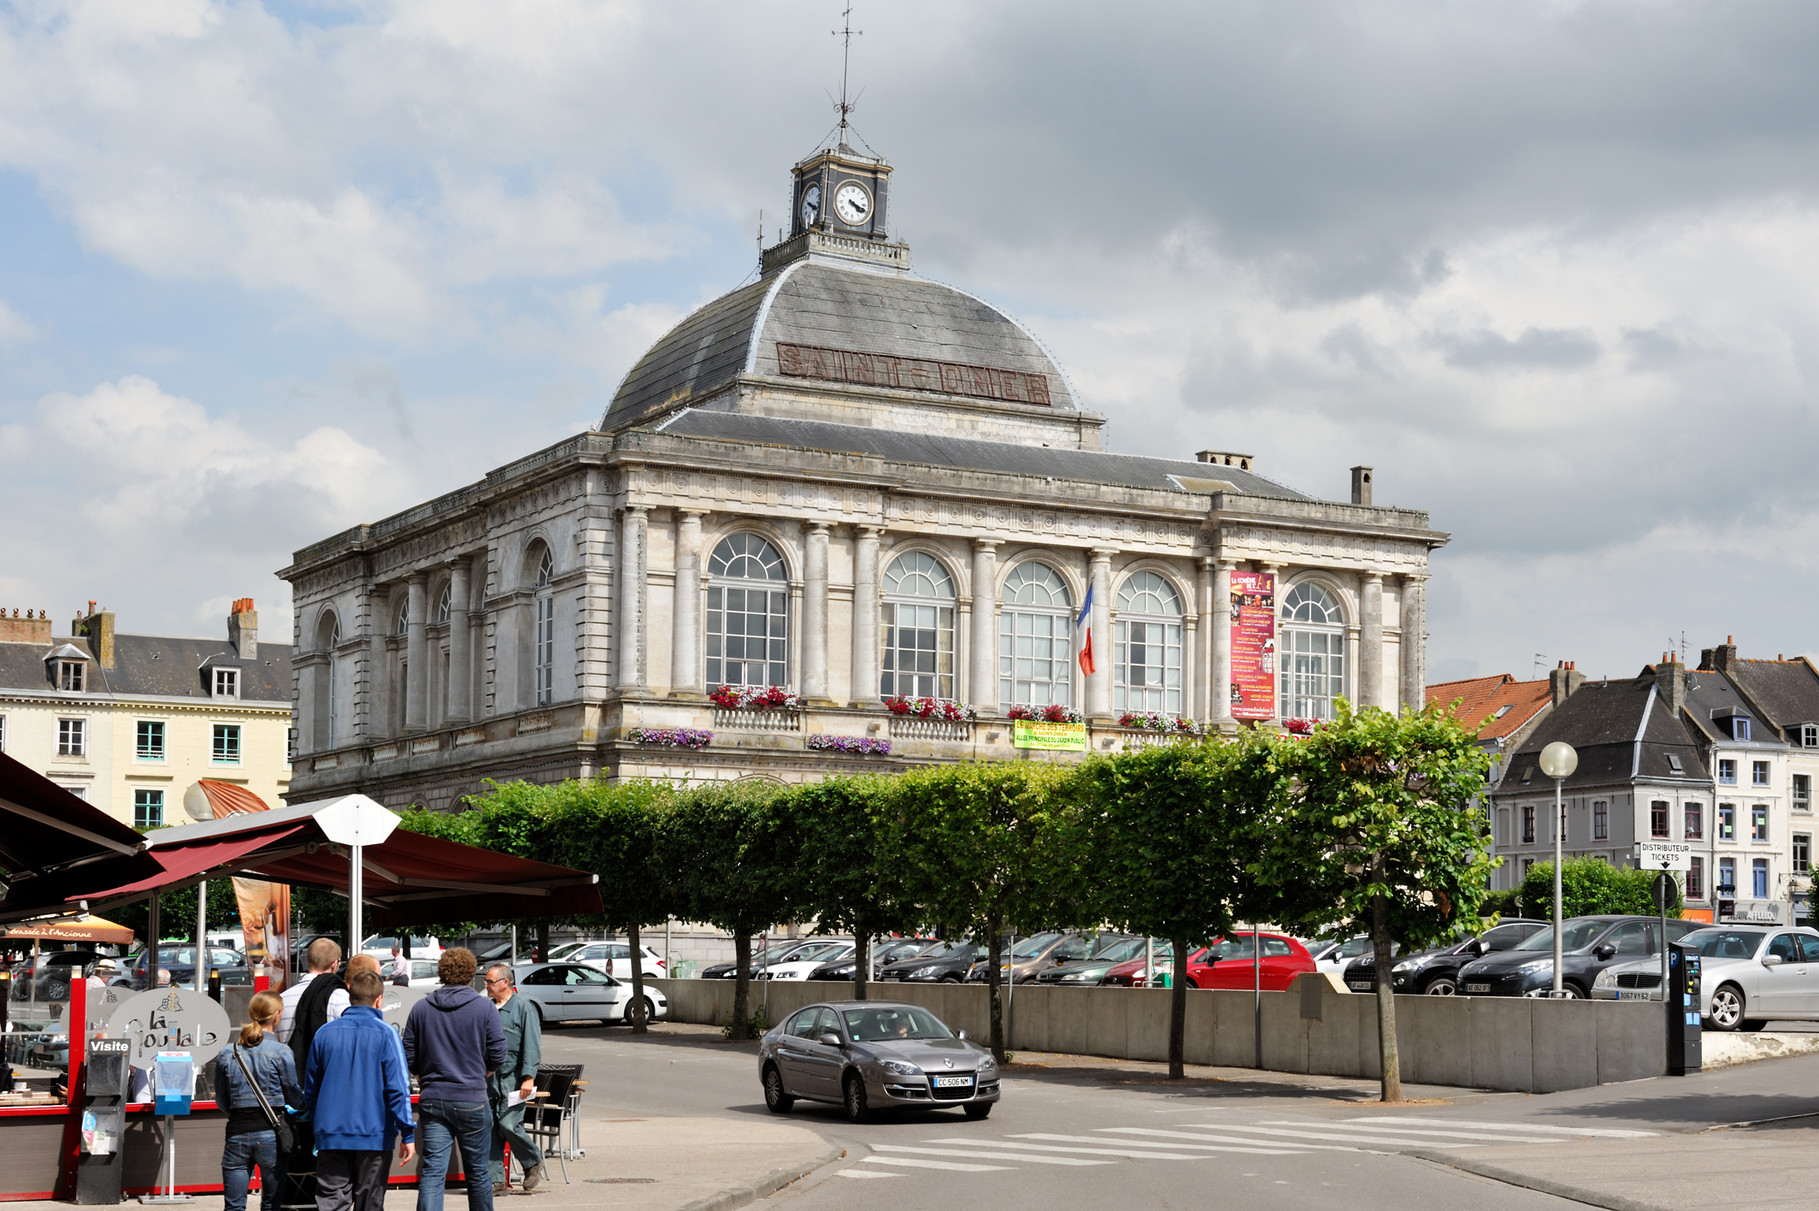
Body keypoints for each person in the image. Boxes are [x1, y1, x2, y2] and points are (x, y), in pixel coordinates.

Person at [303, 970, 416, 1211]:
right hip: (374, 1136)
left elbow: (311, 1088)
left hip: (331, 1133)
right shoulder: (387, 1034)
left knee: (331, 1202)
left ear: (350, 997)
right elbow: (398, 1088)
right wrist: (407, 1132)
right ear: (379, 1000)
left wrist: (319, 1121)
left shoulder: (324, 1033)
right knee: (370, 1202)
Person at [403, 948, 506, 1211]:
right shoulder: (485, 1008)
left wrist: (423, 1076)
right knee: (478, 1173)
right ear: (471, 974)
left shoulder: (421, 1008)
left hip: (433, 1097)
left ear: (442, 973)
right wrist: (481, 1074)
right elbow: (498, 1054)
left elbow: (408, 1054)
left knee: (433, 1172)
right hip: (472, 1097)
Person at [215, 992, 302, 1211]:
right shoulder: (281, 1051)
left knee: (234, 1207)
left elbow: (222, 1102)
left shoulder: (227, 1053)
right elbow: (293, 1095)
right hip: (271, 1133)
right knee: (271, 1205)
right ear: (277, 1015)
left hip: (237, 1132)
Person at [483, 965, 543, 1194]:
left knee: (508, 1124)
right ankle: (496, 1180)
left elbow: (532, 1044)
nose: (487, 986)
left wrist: (529, 1077)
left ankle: (532, 1161)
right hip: (489, 1079)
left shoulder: (523, 1007)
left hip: (514, 1080)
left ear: (505, 982)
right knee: (491, 1127)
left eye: (490, 981)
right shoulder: (487, 1008)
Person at [279, 939, 350, 1057]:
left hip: (290, 1065)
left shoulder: (282, 999)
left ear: (308, 961)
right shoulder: (341, 998)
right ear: (334, 964)